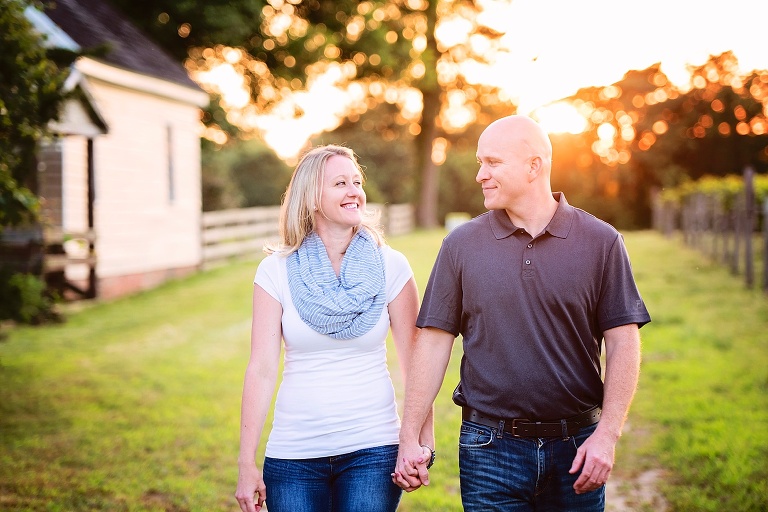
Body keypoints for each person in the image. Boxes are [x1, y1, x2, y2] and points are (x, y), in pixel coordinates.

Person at [392, 115, 651, 511]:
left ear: (534, 166)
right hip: (489, 447)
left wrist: (607, 435)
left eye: (492, 163)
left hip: (576, 448)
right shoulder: (461, 245)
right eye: (481, 162)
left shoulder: (601, 242)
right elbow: (433, 344)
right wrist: (410, 435)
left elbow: (623, 344)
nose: (480, 175)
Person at [234, 144, 433, 512]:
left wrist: (422, 443)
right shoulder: (276, 270)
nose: (354, 191)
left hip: (372, 449)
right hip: (294, 454)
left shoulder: (392, 265)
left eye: (356, 181)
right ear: (311, 197)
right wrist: (247, 464)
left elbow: (417, 362)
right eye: (340, 183)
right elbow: (261, 369)